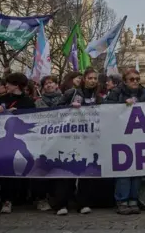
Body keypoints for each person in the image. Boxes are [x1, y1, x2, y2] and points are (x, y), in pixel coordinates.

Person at [55, 68, 105, 215]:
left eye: (95, 78)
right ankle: (61, 204)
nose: (93, 81)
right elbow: (56, 108)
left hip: (89, 138)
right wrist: (69, 107)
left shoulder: (99, 96)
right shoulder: (73, 93)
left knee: (86, 171)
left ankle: (83, 203)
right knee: (67, 171)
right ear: (84, 79)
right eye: (90, 78)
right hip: (70, 136)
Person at [0, 73, 35, 214]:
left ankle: (8, 201)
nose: (6, 85)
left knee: (10, 173)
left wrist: (19, 114)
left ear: (17, 85)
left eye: (9, 83)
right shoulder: (2, 99)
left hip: (17, 141)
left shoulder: (28, 102)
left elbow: (33, 116)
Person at [105, 68, 145, 215]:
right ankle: (122, 200)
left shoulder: (143, 93)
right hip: (121, 137)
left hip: (139, 136)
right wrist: (123, 104)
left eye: (137, 79)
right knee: (124, 169)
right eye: (132, 79)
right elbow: (107, 108)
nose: (135, 81)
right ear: (125, 81)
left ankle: (133, 199)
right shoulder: (117, 92)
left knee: (136, 169)